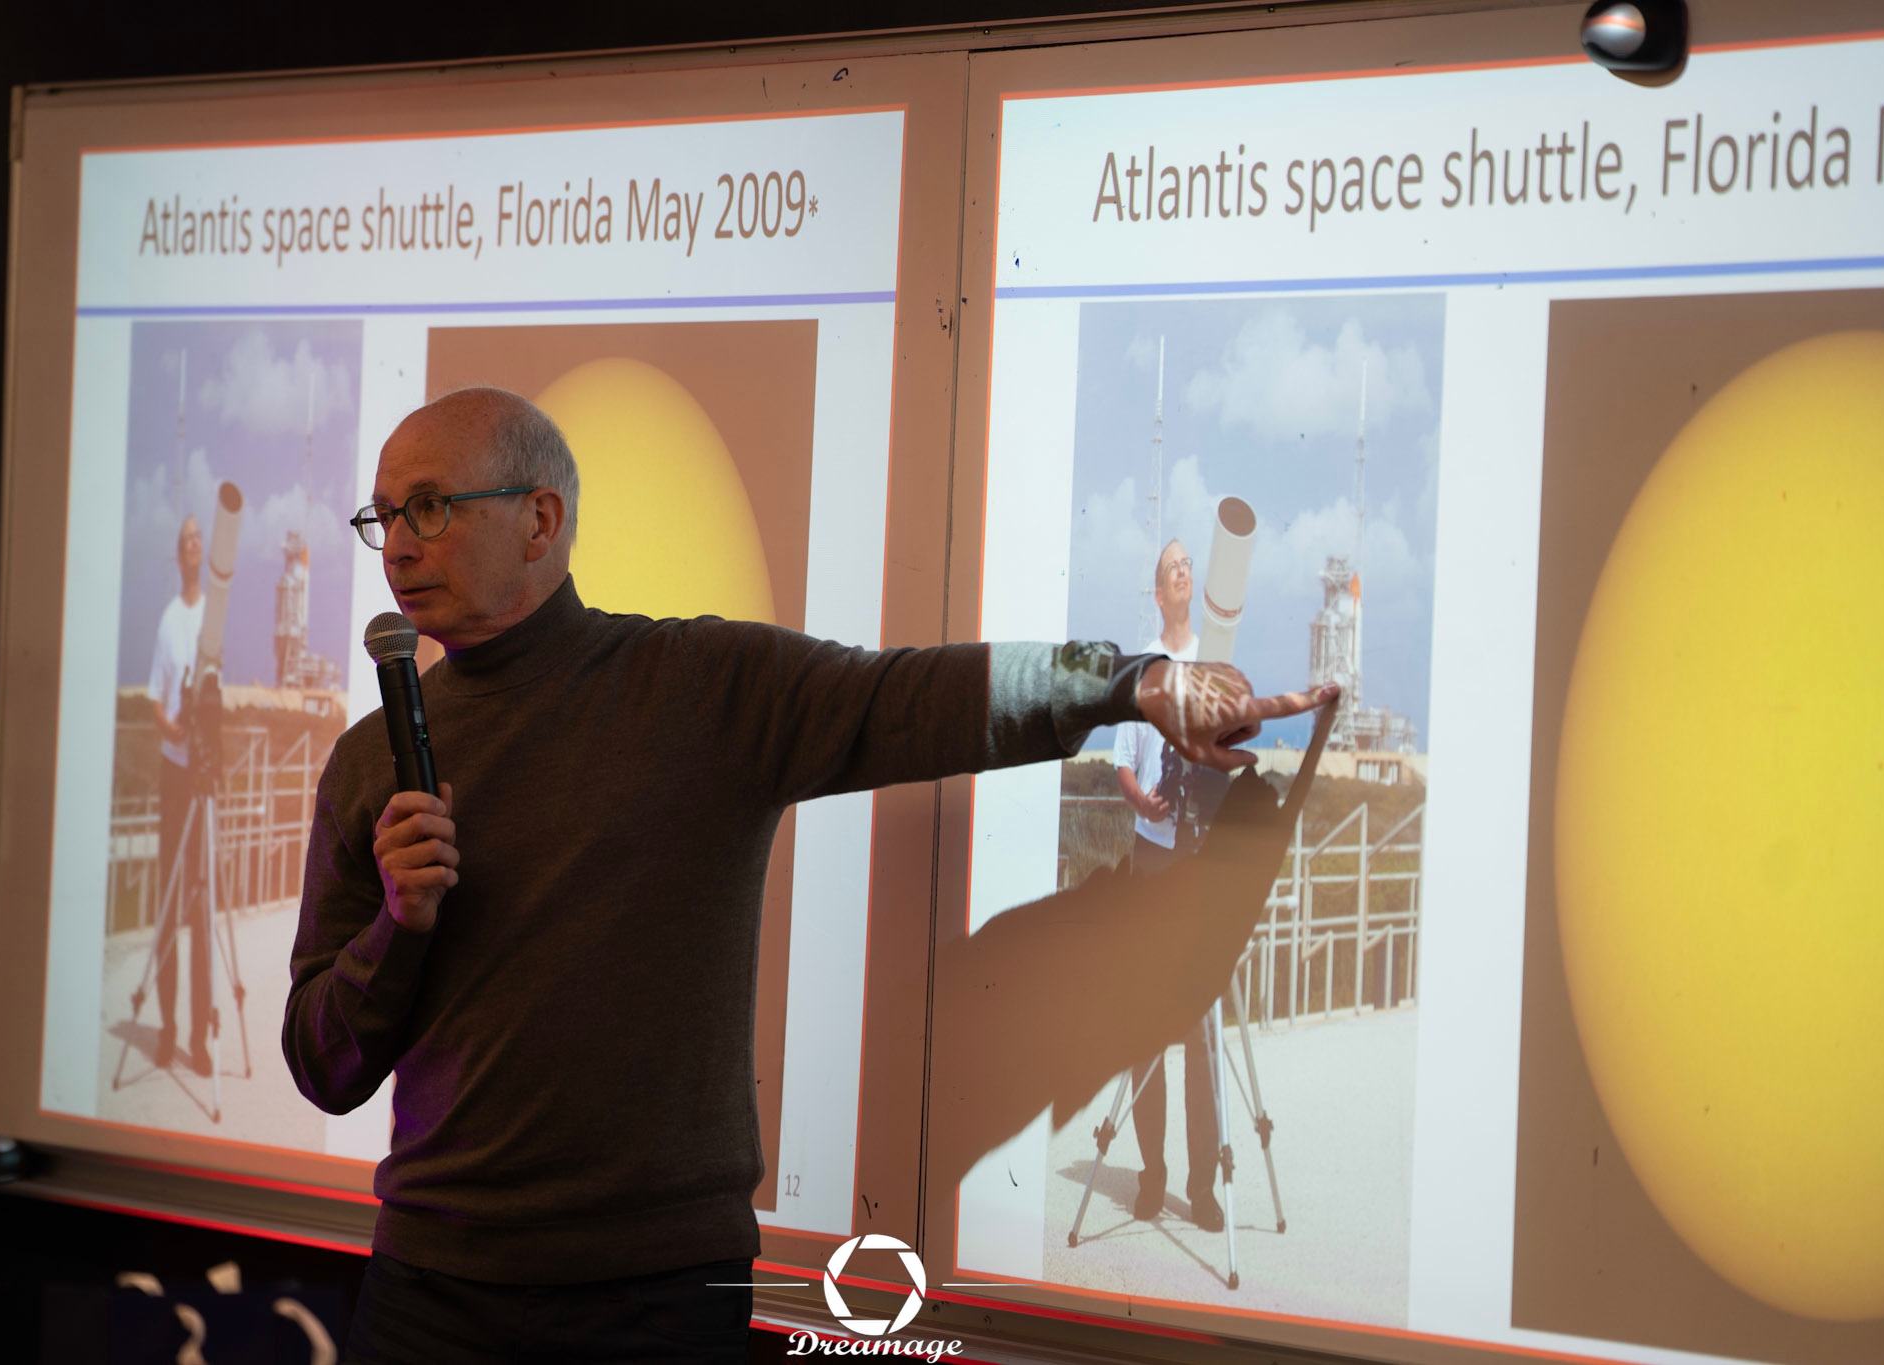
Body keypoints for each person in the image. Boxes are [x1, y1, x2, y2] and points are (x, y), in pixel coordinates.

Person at [282, 388, 1333, 1363]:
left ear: (540, 520)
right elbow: (323, 1065)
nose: (397, 546)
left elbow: (911, 696)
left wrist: (1132, 682)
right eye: (382, 516)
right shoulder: (371, 762)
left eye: (428, 507)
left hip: (656, 1291)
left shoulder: (696, 689)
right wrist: (396, 928)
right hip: (429, 1291)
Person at [1113, 538, 1223, 1230]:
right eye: (1172, 567)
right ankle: (1151, 1173)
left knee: (1201, 1029)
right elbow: (1123, 764)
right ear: (1158, 593)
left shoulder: (1214, 658)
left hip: (1200, 863)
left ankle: (1202, 1185)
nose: (1185, 570)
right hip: (1151, 860)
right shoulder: (1143, 669)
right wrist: (1141, 801)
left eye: (1189, 563)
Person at [148, 514, 212, 1077]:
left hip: (204, 778)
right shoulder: (169, 619)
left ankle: (199, 1035)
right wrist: (170, 727)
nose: (193, 546)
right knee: (170, 907)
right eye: (185, 538)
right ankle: (167, 1029)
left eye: (199, 538)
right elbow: (156, 697)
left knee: (202, 907)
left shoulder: (214, 615)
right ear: (179, 554)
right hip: (174, 772)